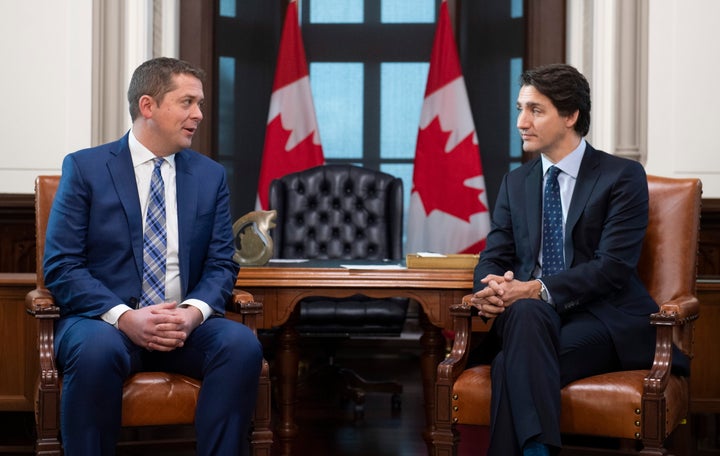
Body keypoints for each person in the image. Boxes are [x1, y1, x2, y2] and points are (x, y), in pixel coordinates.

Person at [43, 57, 263, 455]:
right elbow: (62, 267)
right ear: (148, 106)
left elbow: (220, 264)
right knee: (96, 350)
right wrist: (126, 318)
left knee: (240, 345)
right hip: (104, 323)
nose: (198, 114)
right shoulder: (86, 168)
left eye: (199, 103)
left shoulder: (210, 176)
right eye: (187, 102)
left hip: (183, 325)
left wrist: (192, 313)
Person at [469, 63, 688, 456]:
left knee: (508, 365)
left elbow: (613, 268)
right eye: (520, 108)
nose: (521, 121)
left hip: (602, 318)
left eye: (536, 110)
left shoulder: (621, 176)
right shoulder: (516, 183)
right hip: (530, 319)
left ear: (570, 116)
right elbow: (493, 255)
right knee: (524, 315)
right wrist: (490, 288)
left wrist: (535, 289)